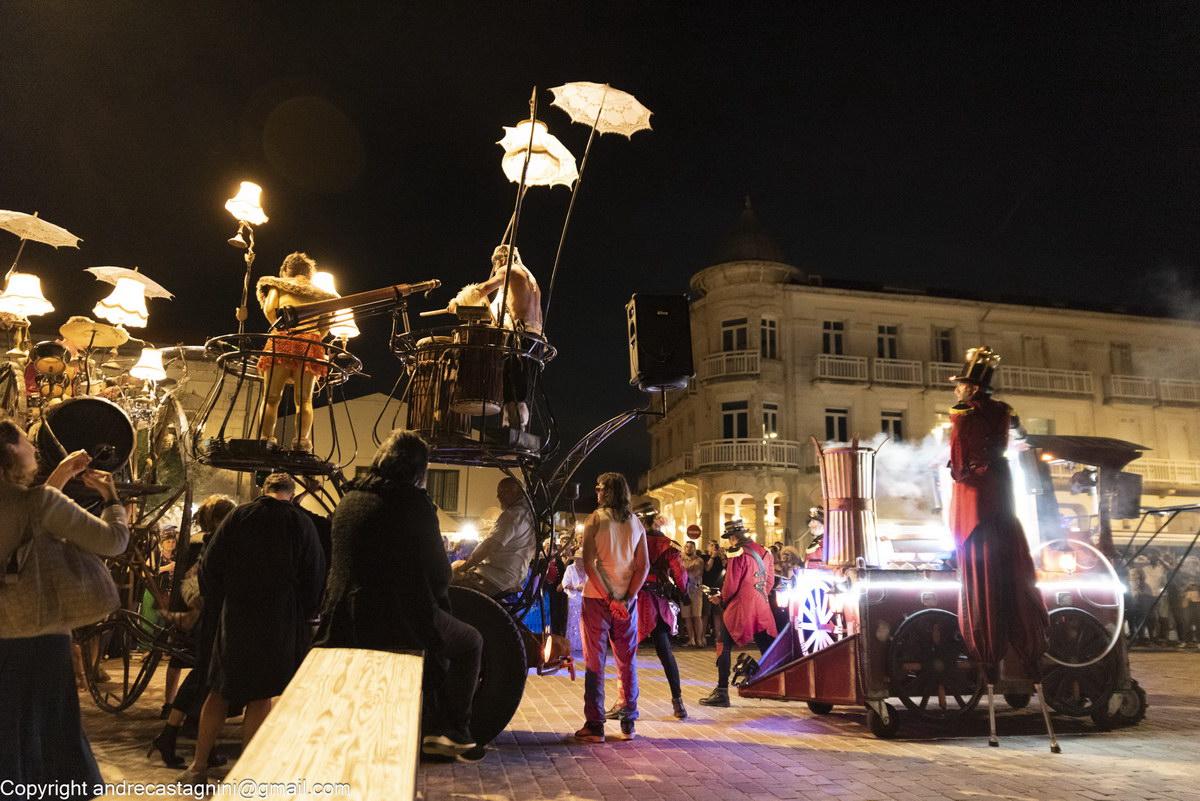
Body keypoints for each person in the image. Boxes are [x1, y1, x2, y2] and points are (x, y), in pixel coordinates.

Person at [315, 430, 486, 762]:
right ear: (418, 469)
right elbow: (440, 572)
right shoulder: (411, 503)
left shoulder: (351, 498)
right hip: (391, 618)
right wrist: (436, 599)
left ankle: (434, 727)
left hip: (339, 618)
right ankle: (454, 732)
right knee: (471, 642)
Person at [0, 421, 128, 800]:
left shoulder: (32, 502)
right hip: (40, 639)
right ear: (9, 451)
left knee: (8, 732)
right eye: (25, 440)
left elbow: (27, 520)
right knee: (49, 735)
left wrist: (60, 474)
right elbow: (114, 542)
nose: (33, 447)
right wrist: (113, 500)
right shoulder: (40, 503)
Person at [181, 473, 326, 784]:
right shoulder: (301, 524)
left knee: (219, 692)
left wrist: (221, 598)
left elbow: (210, 566)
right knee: (260, 697)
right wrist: (306, 611)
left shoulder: (238, 517)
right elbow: (314, 574)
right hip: (278, 618)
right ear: (289, 493)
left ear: (264, 490)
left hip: (236, 615)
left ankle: (197, 767)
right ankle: (247, 773)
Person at [947, 347, 1048, 682]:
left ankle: (986, 645)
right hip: (1002, 485)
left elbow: (960, 459)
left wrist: (959, 470)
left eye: (961, 385)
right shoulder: (1004, 411)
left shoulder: (964, 415)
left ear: (973, 389)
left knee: (978, 551)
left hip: (977, 492)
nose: (957, 390)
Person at [148, 494, 237, 768]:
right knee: (207, 679)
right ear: (224, 519)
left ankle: (176, 737)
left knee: (204, 679)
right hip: (209, 618)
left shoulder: (204, 541)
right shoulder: (215, 543)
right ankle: (182, 739)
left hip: (204, 618)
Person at [569, 472, 648, 744]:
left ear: (610, 492)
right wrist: (626, 599)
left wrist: (609, 599)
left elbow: (589, 563)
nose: (598, 492)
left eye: (601, 488)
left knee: (595, 662)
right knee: (627, 661)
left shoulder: (595, 519)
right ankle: (628, 723)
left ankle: (595, 725)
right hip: (628, 601)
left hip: (596, 599)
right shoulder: (636, 522)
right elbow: (643, 566)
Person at [449, 244, 543, 429]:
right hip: (535, 337)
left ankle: (513, 429)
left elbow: (483, 288)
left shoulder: (509, 270)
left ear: (501, 260)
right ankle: (516, 428)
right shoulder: (530, 280)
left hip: (518, 335)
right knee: (519, 387)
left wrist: (457, 302)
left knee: (511, 385)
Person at [609, 505, 689, 720]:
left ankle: (624, 702)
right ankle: (678, 703)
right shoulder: (668, 545)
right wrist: (684, 592)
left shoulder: (634, 541)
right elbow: (679, 574)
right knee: (665, 652)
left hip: (637, 600)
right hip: (659, 603)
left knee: (627, 654)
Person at [255, 252, 338, 451]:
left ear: (286, 270)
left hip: (282, 340)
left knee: (271, 397)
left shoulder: (277, 285)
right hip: (309, 343)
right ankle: (301, 441)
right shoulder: (321, 293)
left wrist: (282, 329)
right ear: (310, 273)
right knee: (304, 399)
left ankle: (266, 438)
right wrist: (314, 335)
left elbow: (269, 310)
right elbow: (326, 323)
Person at [699, 520, 778, 707]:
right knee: (765, 644)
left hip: (742, 606)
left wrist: (722, 599)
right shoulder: (764, 551)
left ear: (733, 538)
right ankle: (777, 682)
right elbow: (770, 581)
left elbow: (731, 584)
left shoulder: (736, 552)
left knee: (723, 643)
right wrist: (758, 595)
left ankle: (722, 692)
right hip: (761, 602)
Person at [452, 477, 536, 597]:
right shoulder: (530, 515)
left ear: (519, 492)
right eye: (498, 492)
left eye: (504, 491)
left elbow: (489, 546)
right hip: (512, 578)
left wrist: (464, 567)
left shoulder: (512, 515)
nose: (498, 496)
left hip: (493, 579)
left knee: (446, 583)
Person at [680, 539, 705, 647]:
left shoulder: (699, 560)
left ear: (694, 548)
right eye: (687, 546)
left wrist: (684, 570)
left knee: (696, 615)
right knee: (687, 616)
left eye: (691, 546)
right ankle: (691, 639)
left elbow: (694, 572)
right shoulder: (681, 559)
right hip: (684, 590)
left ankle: (699, 639)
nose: (688, 548)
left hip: (696, 590)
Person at [700, 541, 726, 645]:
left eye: (716, 546)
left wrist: (721, 556)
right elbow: (707, 568)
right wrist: (712, 557)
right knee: (705, 614)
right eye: (712, 546)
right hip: (706, 588)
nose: (714, 548)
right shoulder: (704, 557)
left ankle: (718, 636)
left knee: (717, 613)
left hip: (718, 588)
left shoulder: (721, 558)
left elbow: (725, 566)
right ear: (708, 548)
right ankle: (702, 636)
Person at [562, 549, 586, 653]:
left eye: (582, 560)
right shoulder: (570, 568)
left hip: (586, 599)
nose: (580, 562)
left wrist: (585, 587)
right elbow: (565, 583)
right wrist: (575, 587)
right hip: (574, 598)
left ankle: (584, 644)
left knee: (584, 622)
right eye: (578, 559)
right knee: (573, 622)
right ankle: (573, 644)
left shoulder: (588, 569)